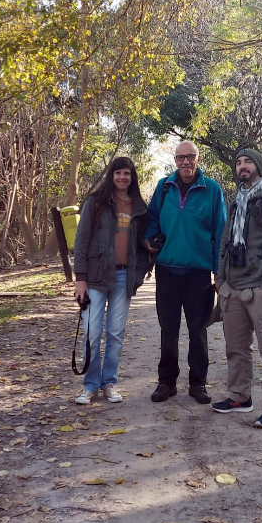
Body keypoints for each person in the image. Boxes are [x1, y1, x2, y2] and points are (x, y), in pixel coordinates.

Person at [212, 148, 262, 429]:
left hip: (260, 288)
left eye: (248, 162)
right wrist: (221, 280)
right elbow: (224, 243)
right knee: (236, 347)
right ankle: (239, 397)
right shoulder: (236, 202)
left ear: (258, 166)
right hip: (233, 288)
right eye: (238, 162)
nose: (242, 166)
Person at [144, 141, 226, 404]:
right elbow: (151, 218)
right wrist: (149, 239)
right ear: (175, 160)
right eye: (181, 157)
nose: (186, 162)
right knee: (168, 330)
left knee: (198, 330)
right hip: (167, 270)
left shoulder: (212, 189)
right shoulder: (163, 187)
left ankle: (198, 383)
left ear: (198, 159)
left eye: (190, 157)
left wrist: (219, 273)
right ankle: (166, 382)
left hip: (198, 274)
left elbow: (221, 232)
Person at [73, 156, 150, 405]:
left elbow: (144, 247)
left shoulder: (139, 207)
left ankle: (109, 383)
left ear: (132, 177)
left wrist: (138, 275)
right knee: (91, 333)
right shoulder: (96, 202)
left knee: (115, 333)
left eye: (127, 173)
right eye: (118, 173)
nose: (122, 177)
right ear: (111, 175)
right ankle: (90, 385)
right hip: (95, 276)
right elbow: (81, 241)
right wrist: (80, 279)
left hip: (123, 277)